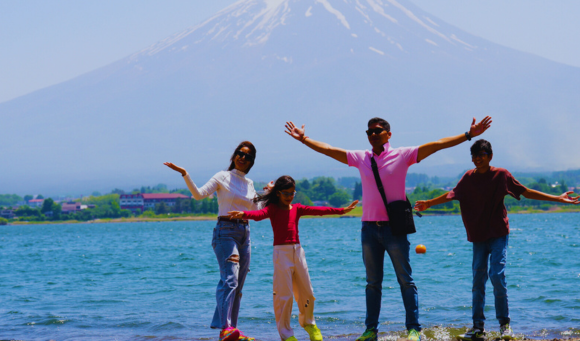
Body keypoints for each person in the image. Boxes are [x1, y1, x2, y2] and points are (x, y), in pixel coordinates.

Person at [284, 116, 492, 341]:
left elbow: (437, 145)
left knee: (406, 280)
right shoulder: (361, 157)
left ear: (388, 134)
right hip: (369, 229)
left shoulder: (402, 155)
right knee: (372, 283)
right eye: (369, 132)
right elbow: (329, 150)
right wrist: (304, 139)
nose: (373, 134)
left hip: (395, 229)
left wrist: (468, 135)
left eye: (378, 130)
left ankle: (414, 329)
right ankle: (371, 330)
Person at [414, 139, 580, 341]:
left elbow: (525, 191)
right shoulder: (468, 177)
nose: (477, 159)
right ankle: (478, 328)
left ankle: (504, 327)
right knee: (478, 280)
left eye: (481, 155)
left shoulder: (501, 175)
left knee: (496, 275)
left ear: (490, 156)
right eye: (474, 156)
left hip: (498, 233)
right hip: (478, 236)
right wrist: (429, 203)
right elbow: (451, 194)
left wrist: (558, 198)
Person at [228, 175, 359, 341]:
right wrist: (243, 214)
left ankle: (309, 324)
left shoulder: (297, 208)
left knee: (308, 293)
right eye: (286, 193)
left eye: (292, 193)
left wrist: (342, 210)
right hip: (281, 254)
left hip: (298, 252)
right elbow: (259, 214)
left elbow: (319, 211)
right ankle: (286, 334)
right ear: (278, 193)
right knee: (285, 296)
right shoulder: (273, 209)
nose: (290, 197)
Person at [164, 141, 260, 341]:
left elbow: (256, 209)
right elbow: (198, 195)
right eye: (240, 153)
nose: (243, 158)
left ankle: (232, 329)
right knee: (230, 280)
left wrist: (267, 192)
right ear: (234, 155)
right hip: (225, 232)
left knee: (238, 286)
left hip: (245, 233)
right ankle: (225, 328)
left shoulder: (249, 184)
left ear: (252, 162)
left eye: (248, 156)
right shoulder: (222, 176)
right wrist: (184, 173)